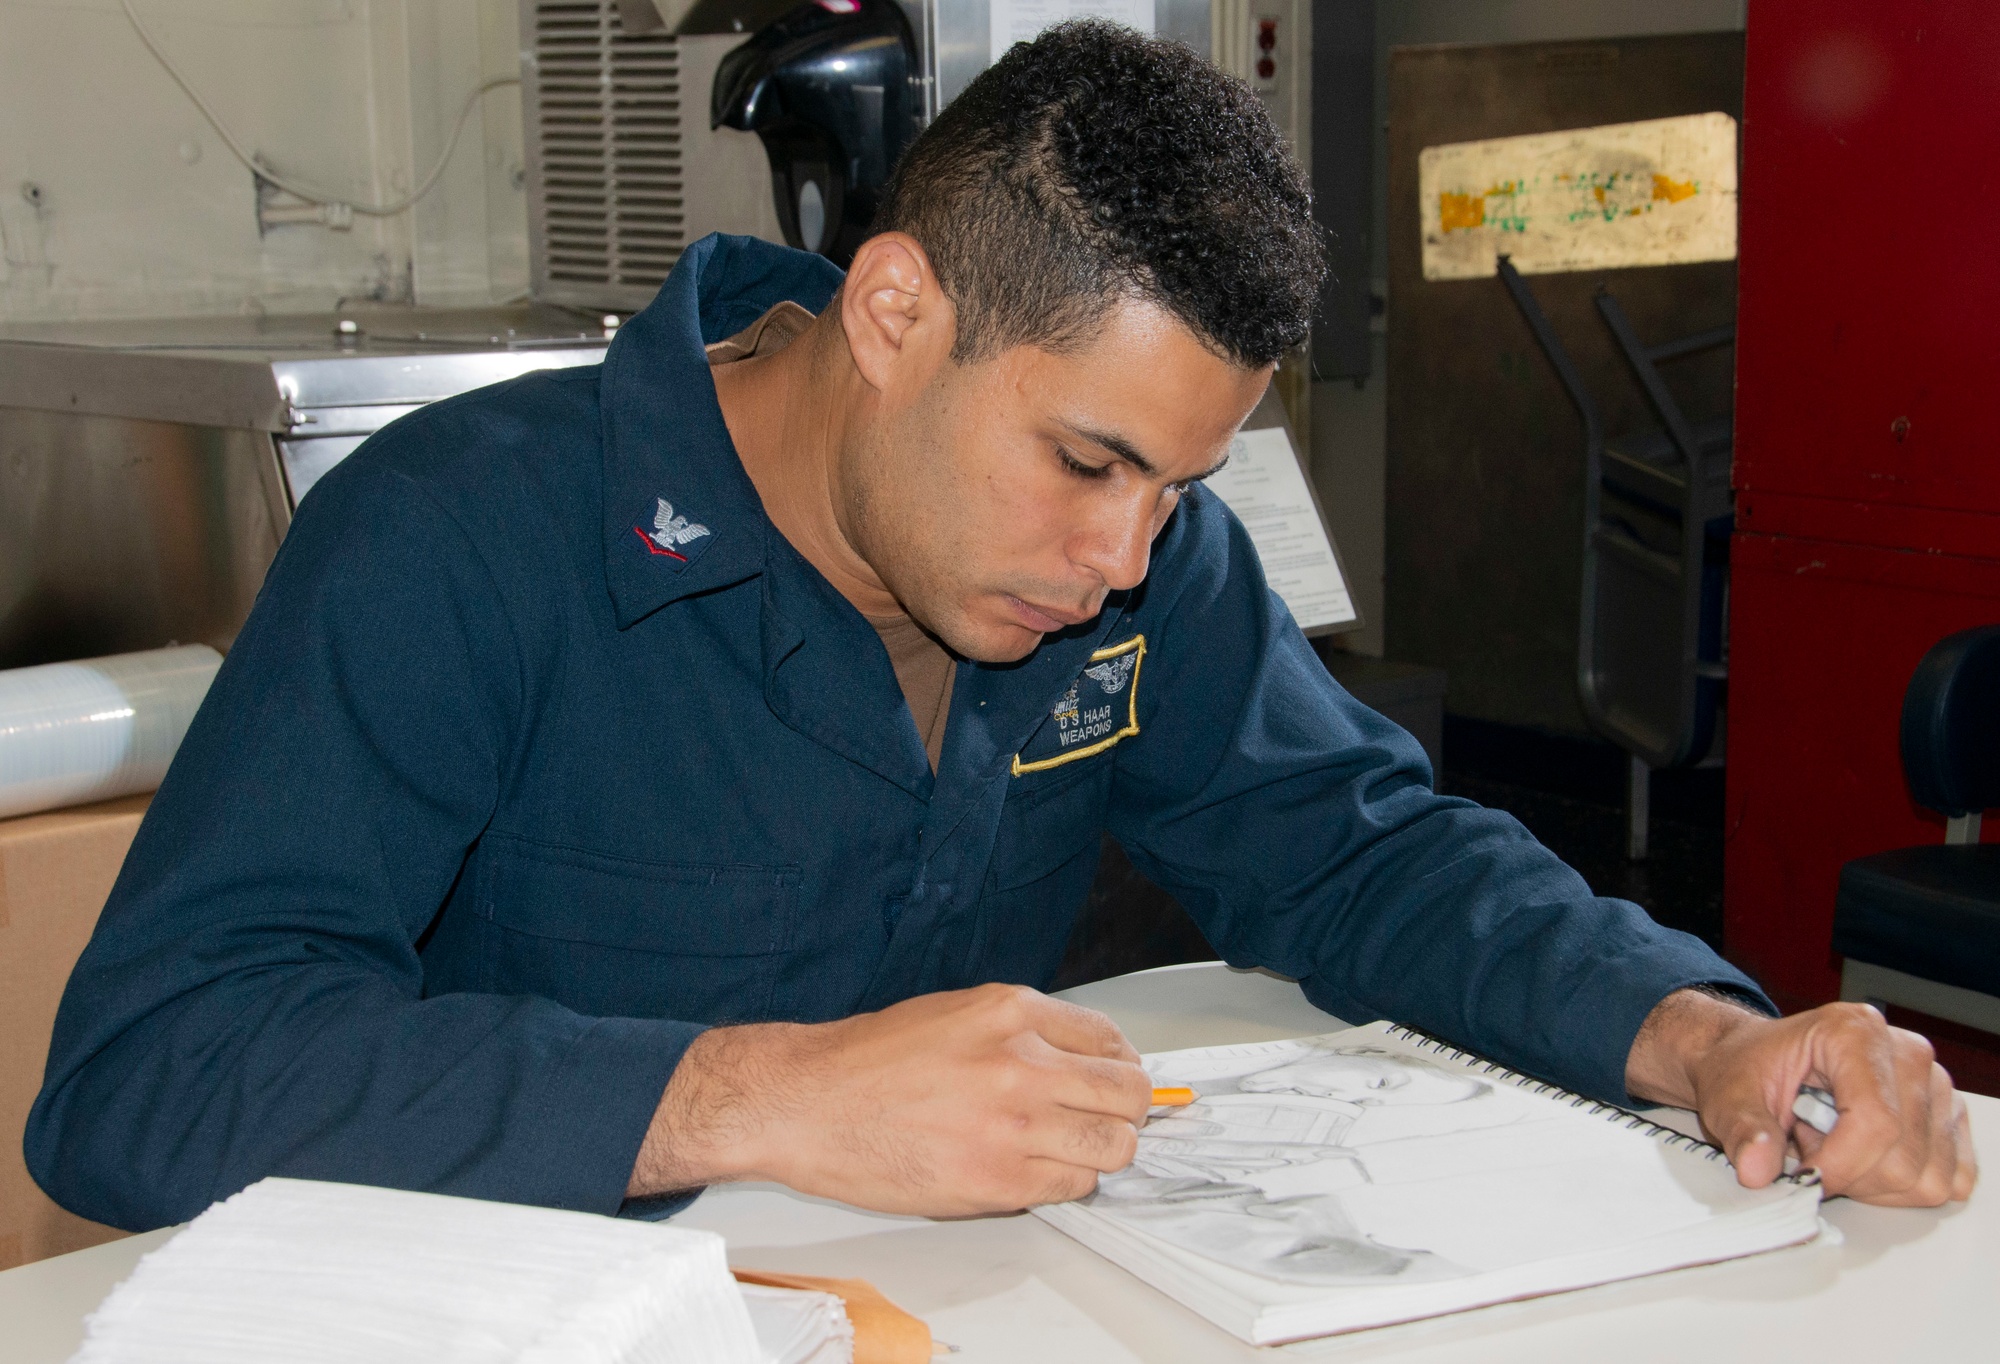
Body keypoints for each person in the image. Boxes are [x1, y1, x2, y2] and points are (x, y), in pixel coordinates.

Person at [28, 23, 1972, 1233]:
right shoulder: (456, 541)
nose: (1127, 559)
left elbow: (1361, 852)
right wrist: (749, 1086)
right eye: (1084, 460)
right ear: (891, 316)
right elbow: (144, 1077)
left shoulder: (1126, 554)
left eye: (1177, 491)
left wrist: (1703, 1031)